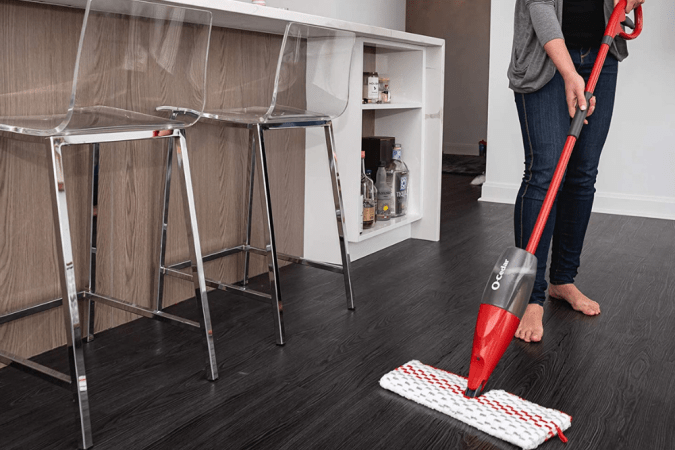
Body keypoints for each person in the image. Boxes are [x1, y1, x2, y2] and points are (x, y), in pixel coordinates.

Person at [507, 0, 645, 342]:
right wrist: (570, 73)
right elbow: (539, 7)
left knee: (583, 173)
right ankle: (530, 296)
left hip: (601, 55)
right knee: (545, 172)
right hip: (546, 61)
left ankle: (562, 280)